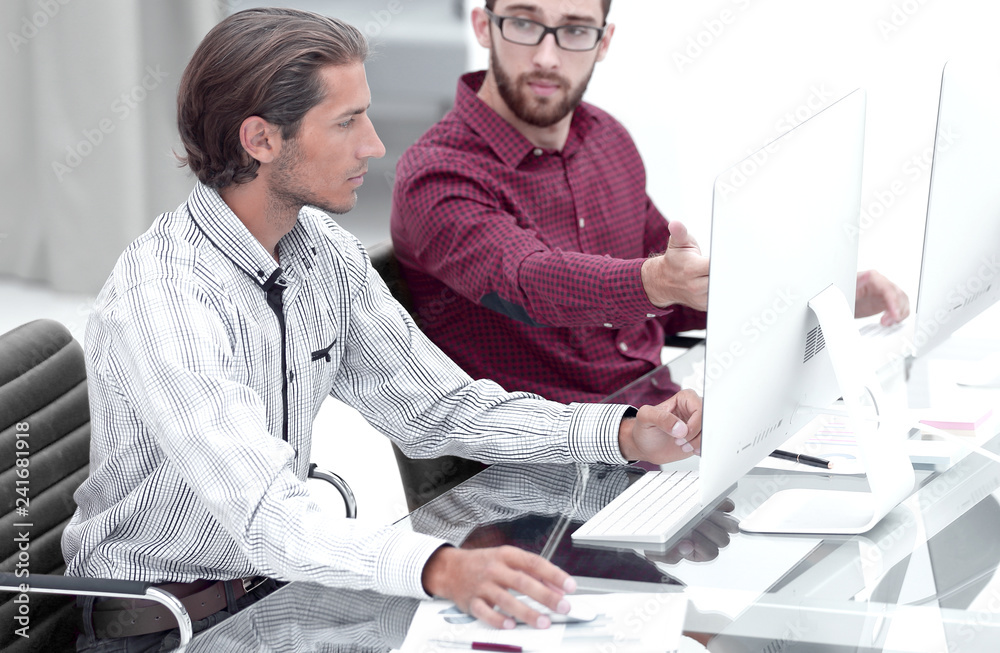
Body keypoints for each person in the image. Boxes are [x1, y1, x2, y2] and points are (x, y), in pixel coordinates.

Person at [61, 8, 706, 650]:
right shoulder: (165, 294)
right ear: (259, 140)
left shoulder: (321, 252)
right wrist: (440, 566)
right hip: (167, 625)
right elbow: (261, 517)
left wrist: (622, 434)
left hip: (281, 590)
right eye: (346, 122)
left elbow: (442, 412)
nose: (373, 143)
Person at [391, 0, 911, 405]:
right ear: (484, 27)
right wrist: (654, 282)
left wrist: (821, 300)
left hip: (662, 426)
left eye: (574, 30)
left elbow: (680, 296)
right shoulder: (437, 175)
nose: (547, 57)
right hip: (544, 471)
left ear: (603, 42)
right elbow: (529, 282)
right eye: (524, 24)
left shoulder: (605, 138)